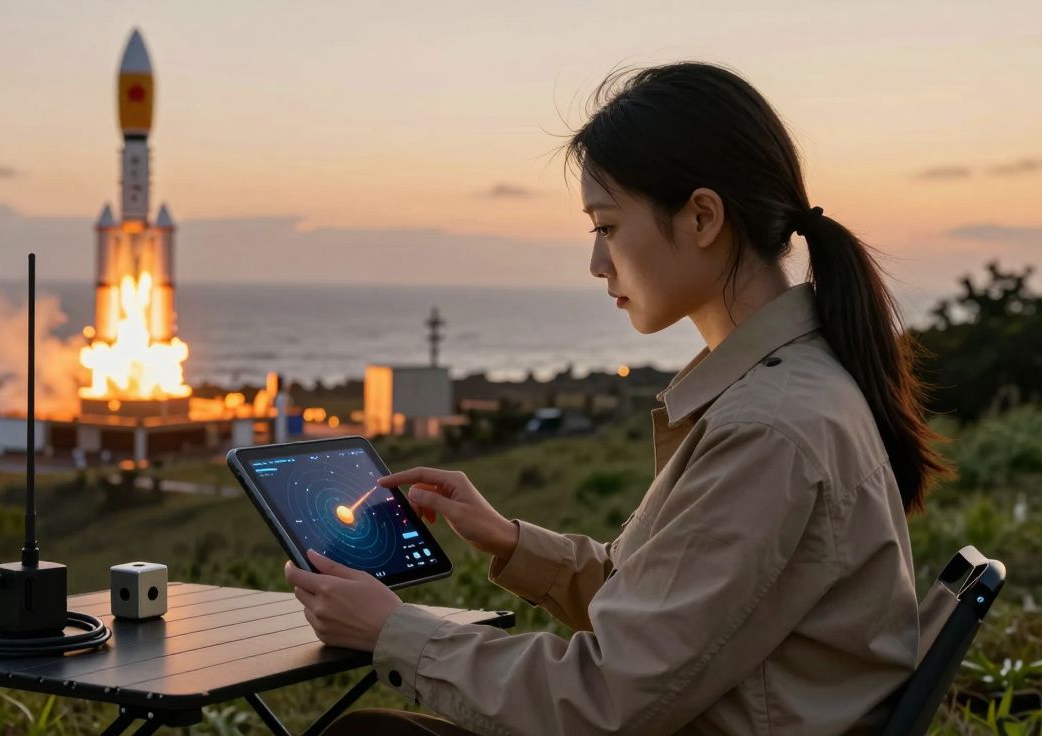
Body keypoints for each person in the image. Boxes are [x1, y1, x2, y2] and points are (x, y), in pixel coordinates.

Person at [283, 61, 954, 735]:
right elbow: (664, 611)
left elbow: (609, 698)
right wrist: (509, 539)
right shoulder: (790, 388)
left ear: (702, 217)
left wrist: (394, 632)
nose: (596, 264)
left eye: (605, 227)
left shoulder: (768, 427)